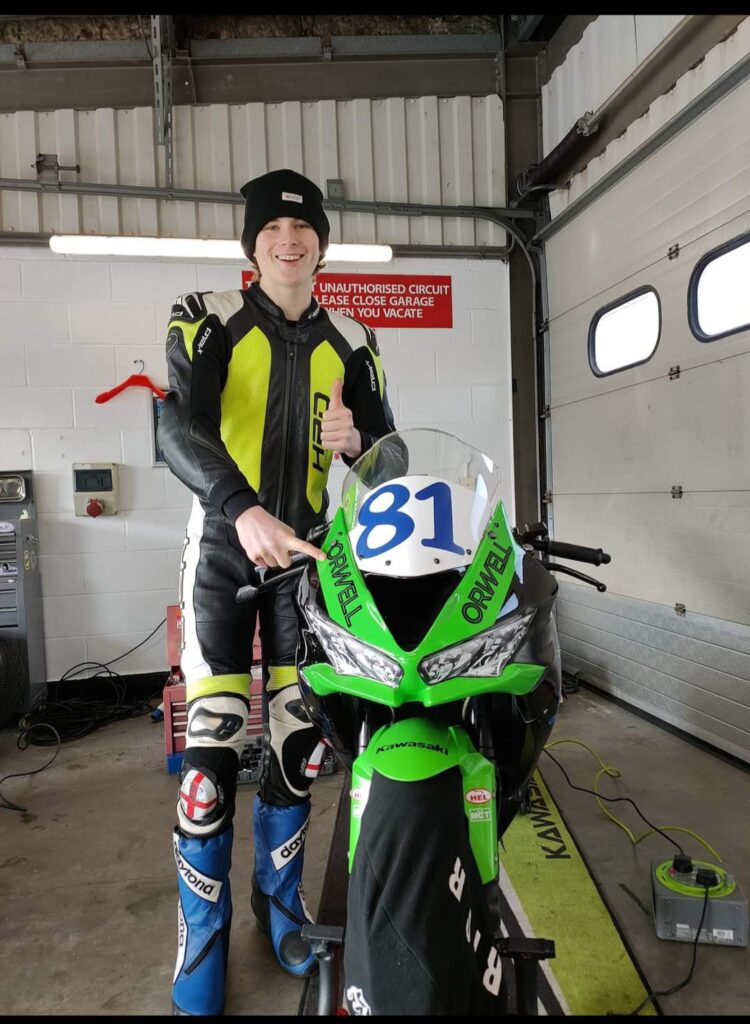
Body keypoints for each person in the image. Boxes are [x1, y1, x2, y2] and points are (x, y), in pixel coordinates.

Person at [157, 168, 396, 1016]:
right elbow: (174, 427)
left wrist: (360, 440)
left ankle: (281, 908)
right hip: (224, 555)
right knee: (212, 761)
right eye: (271, 232)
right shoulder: (207, 315)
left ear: (321, 244)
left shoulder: (356, 337)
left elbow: (392, 457)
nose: (287, 242)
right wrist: (240, 508)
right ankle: (203, 940)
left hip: (308, 565)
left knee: (298, 750)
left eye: (302, 231)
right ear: (252, 245)